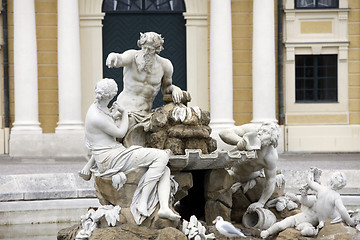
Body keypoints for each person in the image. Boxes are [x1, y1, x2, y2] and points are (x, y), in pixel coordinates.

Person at [80, 78, 180, 225]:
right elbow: (120, 133)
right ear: (110, 96)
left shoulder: (98, 109)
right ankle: (143, 202)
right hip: (112, 159)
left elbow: (102, 140)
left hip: (113, 155)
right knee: (161, 156)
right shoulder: (96, 117)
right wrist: (125, 113)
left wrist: (115, 116)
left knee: (163, 169)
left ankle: (164, 208)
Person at [105, 32, 189, 146]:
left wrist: (175, 89)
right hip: (126, 109)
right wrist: (113, 56)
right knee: (117, 136)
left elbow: (166, 88)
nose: (146, 52)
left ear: (157, 49)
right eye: (144, 48)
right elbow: (120, 59)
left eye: (150, 49)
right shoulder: (132, 56)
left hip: (146, 113)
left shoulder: (165, 65)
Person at [260, 168, 355, 238]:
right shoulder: (335, 196)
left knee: (288, 224)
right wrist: (350, 221)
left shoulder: (321, 189)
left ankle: (267, 232)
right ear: (340, 186)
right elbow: (342, 209)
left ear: (330, 180)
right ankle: (268, 232)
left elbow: (310, 182)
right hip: (320, 220)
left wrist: (310, 172)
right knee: (289, 223)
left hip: (318, 221)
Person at [219, 122, 280, 212]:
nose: (260, 133)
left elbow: (270, 180)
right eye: (260, 130)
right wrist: (240, 141)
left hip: (243, 176)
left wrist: (261, 203)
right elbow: (223, 133)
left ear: (272, 139)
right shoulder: (252, 130)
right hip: (228, 166)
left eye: (265, 132)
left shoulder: (270, 157)